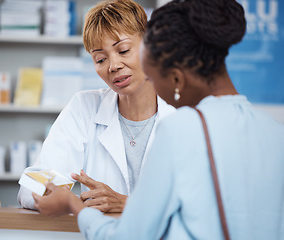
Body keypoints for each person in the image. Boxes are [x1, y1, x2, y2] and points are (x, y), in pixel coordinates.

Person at [32, 0, 284, 239]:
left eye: (156, 77)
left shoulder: (183, 127)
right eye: (100, 58)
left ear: (176, 77)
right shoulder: (273, 131)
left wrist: (72, 204)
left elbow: (129, 236)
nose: (114, 66)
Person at [18, 0, 175, 213]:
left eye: (124, 50)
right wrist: (61, 198)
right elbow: (31, 190)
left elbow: (204, 201)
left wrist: (127, 203)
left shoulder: (184, 112)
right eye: (100, 59)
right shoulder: (85, 107)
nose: (113, 66)